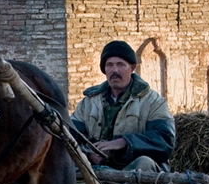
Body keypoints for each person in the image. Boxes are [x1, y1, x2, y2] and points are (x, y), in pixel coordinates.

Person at [71, 40, 176, 172]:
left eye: (120, 64)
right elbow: (70, 136)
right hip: (95, 170)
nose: (114, 70)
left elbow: (165, 140)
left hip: (133, 171)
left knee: (144, 162)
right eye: (109, 65)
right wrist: (89, 154)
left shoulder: (153, 101)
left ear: (132, 68)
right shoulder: (88, 103)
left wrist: (124, 142)